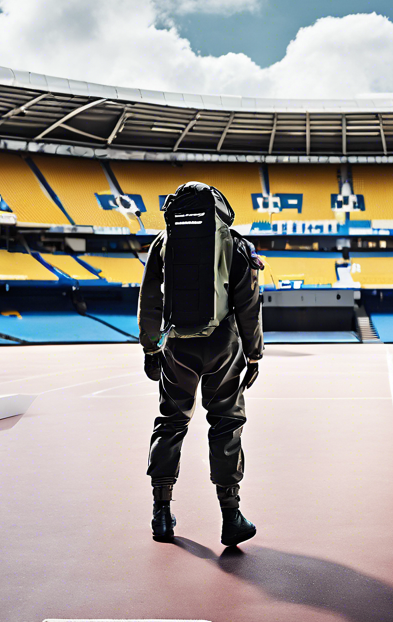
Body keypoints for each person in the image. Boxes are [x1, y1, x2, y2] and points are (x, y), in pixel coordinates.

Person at [138, 181, 264, 546]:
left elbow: (149, 299)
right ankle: (231, 516)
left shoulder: (164, 241)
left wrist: (150, 349)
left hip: (177, 344)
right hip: (223, 345)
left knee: (171, 421)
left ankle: (161, 513)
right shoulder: (237, 245)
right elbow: (248, 307)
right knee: (226, 423)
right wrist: (254, 354)